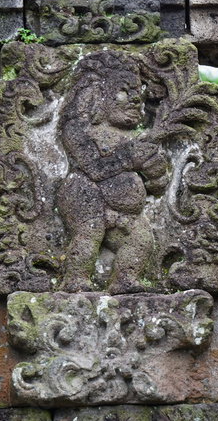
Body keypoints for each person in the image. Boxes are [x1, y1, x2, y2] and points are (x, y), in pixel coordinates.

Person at [57, 50, 168, 293]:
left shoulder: (132, 137)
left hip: (123, 210)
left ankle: (124, 281)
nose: (134, 99)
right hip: (85, 195)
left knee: (141, 239)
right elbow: (93, 168)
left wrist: (156, 174)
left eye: (137, 93)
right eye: (123, 91)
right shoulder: (78, 129)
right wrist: (131, 157)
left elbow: (151, 178)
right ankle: (76, 279)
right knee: (90, 233)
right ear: (97, 94)